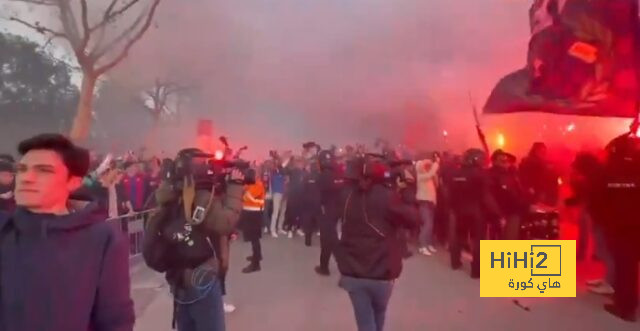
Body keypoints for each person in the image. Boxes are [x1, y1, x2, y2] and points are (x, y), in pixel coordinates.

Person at [0, 133, 134, 330]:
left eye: (43, 171)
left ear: (73, 182)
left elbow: (115, 320)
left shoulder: (103, 239)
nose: (26, 178)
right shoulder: (5, 230)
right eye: (22, 169)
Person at [142, 148, 245, 331]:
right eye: (205, 164)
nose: (209, 168)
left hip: (179, 278)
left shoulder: (170, 193)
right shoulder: (202, 197)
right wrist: (235, 188)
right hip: (202, 278)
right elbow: (225, 222)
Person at [335, 156, 419, 331]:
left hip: (352, 269)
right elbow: (414, 220)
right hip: (382, 270)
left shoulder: (346, 195)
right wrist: (407, 191)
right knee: (378, 316)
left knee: (365, 322)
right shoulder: (388, 197)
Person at [590, 133, 640, 322]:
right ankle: (628, 303)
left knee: (623, 267)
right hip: (636, 225)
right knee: (631, 266)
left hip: (618, 226)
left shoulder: (608, 170)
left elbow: (597, 198)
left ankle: (625, 307)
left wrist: (604, 220)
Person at [449, 149, 502, 279]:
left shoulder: (456, 173)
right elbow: (486, 196)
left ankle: (455, 262)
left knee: (459, 236)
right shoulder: (480, 174)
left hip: (460, 211)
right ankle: (476, 271)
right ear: (476, 159)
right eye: (482, 158)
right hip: (476, 213)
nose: (484, 161)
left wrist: (453, 208)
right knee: (478, 242)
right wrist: (497, 213)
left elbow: (451, 194)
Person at [314, 150, 344, 276]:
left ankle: (344, 264)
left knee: (330, 239)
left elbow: (317, 196)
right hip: (337, 209)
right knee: (327, 239)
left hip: (326, 211)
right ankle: (324, 266)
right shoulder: (339, 174)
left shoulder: (322, 176)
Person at [488, 150, 527, 240]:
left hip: (512, 211)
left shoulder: (510, 174)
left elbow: (518, 192)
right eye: (502, 160)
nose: (505, 162)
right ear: (494, 161)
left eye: (506, 160)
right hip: (503, 212)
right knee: (507, 238)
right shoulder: (491, 175)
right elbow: (493, 194)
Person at [240, 168, 266, 273]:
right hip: (251, 213)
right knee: (254, 238)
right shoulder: (251, 185)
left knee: (254, 238)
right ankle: (257, 256)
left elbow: (246, 197)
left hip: (254, 214)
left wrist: (242, 191)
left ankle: (256, 264)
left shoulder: (257, 185)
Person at [415, 154, 440, 256]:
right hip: (424, 202)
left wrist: (434, 173)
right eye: (425, 166)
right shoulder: (421, 176)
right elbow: (430, 173)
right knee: (427, 224)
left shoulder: (428, 176)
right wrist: (436, 164)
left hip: (430, 203)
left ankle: (428, 243)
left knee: (431, 225)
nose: (427, 167)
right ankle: (422, 246)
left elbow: (437, 184)